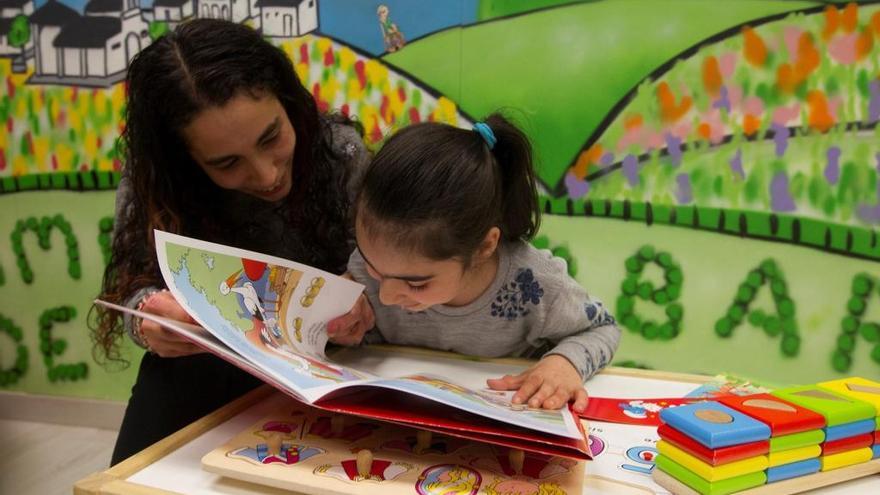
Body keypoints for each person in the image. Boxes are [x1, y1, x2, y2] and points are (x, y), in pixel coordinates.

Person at [91, 18, 370, 465]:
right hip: (199, 375)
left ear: (287, 99)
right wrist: (149, 319)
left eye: (272, 137)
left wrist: (363, 297)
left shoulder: (341, 154)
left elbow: (384, 270)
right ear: (185, 161)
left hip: (324, 375)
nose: (267, 175)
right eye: (226, 163)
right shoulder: (158, 183)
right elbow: (134, 285)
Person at [327, 114, 621, 413]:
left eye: (416, 283)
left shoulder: (535, 284)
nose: (386, 295)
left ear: (484, 246)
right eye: (373, 266)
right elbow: (362, 346)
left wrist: (564, 364)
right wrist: (344, 325)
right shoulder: (376, 264)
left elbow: (604, 330)